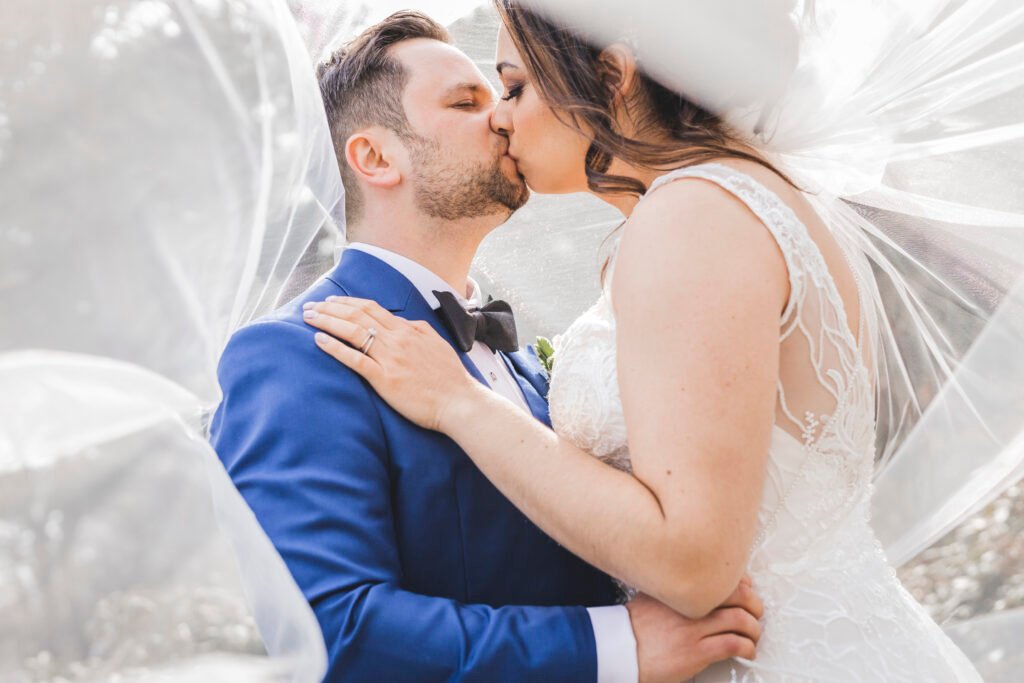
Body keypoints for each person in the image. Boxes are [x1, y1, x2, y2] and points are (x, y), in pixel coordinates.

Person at [302, 2, 986, 680]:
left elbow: (692, 564)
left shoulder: (691, 214)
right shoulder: (750, 195)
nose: (501, 117)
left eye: (514, 86)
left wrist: (460, 402)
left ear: (612, 76)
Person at [211, 10, 763, 683]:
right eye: (466, 102)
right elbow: (333, 629)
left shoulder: (522, 362)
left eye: (504, 95)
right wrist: (614, 646)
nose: (503, 117)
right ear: (376, 157)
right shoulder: (295, 356)